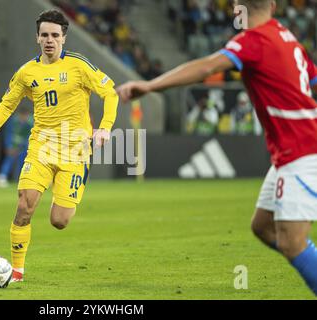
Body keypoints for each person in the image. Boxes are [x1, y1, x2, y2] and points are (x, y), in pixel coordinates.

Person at [117, 0, 317, 295]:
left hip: (301, 152)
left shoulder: (254, 40)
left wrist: (149, 86)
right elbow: (312, 77)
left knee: (292, 241)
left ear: (237, 9)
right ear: (273, 6)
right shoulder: (287, 37)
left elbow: (207, 66)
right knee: (263, 226)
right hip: (292, 152)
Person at [0, 9, 119, 282]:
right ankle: (16, 271)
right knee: (24, 204)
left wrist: (105, 127)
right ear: (37, 38)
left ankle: (61, 192)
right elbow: (8, 104)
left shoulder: (79, 66)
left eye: (55, 35)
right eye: (44, 35)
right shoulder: (27, 72)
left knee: (59, 221)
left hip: (75, 149)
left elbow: (110, 93)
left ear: (64, 37)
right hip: (41, 146)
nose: (49, 40)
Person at [0, 108, 33, 188]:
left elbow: (32, 135)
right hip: (13, 144)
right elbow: (8, 134)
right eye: (22, 116)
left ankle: (23, 179)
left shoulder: (31, 122)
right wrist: (9, 146)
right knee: (9, 159)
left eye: (25, 116)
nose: (24, 118)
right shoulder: (13, 121)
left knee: (24, 161)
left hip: (25, 145)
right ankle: (2, 178)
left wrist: (28, 146)